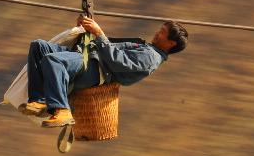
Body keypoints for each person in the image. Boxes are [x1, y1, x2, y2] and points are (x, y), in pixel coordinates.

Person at [23, 16, 189, 126]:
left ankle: (62, 110)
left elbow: (117, 61)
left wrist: (99, 33)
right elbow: (105, 47)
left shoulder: (151, 58)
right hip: (85, 56)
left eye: (162, 33)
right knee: (38, 46)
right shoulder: (146, 48)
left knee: (54, 60)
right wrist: (85, 31)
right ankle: (40, 100)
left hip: (94, 68)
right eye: (160, 30)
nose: (157, 33)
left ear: (171, 44)